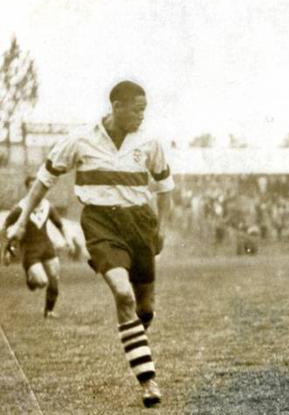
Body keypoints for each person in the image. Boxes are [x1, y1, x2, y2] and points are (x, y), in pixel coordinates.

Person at [6, 80, 174, 407]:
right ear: (117, 106)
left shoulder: (151, 142)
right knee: (122, 295)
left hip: (140, 225)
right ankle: (148, 383)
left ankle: (136, 337)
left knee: (144, 309)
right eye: (137, 109)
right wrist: (22, 219)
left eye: (145, 109)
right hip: (100, 224)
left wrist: (161, 227)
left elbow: (165, 186)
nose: (142, 115)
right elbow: (44, 180)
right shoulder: (80, 140)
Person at [2, 176, 75, 318]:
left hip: (47, 246)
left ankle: (49, 311)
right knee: (42, 282)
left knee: (54, 279)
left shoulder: (47, 206)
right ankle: (31, 280)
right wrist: (8, 249)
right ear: (29, 189)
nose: (37, 191)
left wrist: (69, 240)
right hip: (30, 250)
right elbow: (6, 226)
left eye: (40, 187)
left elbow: (60, 225)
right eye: (32, 187)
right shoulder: (21, 208)